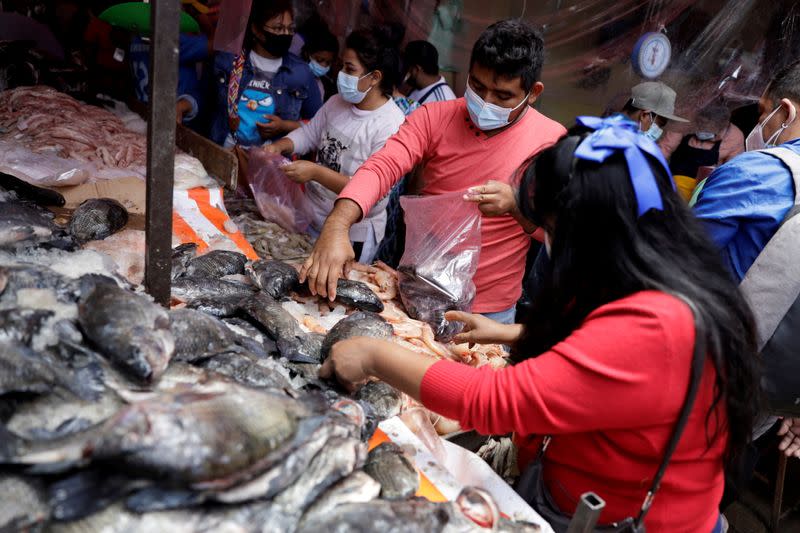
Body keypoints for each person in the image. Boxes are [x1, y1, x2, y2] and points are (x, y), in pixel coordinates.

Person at [321, 123, 760, 533]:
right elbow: (612, 366)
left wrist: (371, 353)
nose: (547, 242)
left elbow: (492, 401)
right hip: (577, 481)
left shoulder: (660, 325)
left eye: (550, 229)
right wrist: (514, 333)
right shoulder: (662, 273)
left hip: (623, 518)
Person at [301, 20, 566, 324]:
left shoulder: (551, 142)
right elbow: (382, 166)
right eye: (477, 87)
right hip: (418, 293)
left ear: (532, 93)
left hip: (489, 310)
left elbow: (562, 235)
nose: (485, 103)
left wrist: (518, 207)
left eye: (503, 96)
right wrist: (338, 223)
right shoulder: (435, 116)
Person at [693, 60, 800, 457]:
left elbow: (675, 262)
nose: (762, 127)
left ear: (785, 111)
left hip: (703, 378)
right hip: (772, 399)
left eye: (762, 115)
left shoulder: (756, 172)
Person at [265, 26, 406, 264]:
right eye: (342, 65)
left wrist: (316, 173)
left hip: (350, 236)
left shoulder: (391, 125)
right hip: (310, 217)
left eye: (350, 69)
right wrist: (282, 145)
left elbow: (374, 197)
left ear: (374, 77)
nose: (341, 74)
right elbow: (309, 134)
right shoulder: (336, 102)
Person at [209, 0, 322, 148]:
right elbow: (205, 101)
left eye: (290, 29)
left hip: (271, 163)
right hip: (225, 154)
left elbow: (318, 124)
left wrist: (284, 126)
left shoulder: (300, 72)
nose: (285, 35)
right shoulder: (228, 62)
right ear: (256, 29)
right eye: (278, 28)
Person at [660, 101, 745, 200]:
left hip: (703, 190)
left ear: (720, 127)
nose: (702, 130)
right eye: (700, 125)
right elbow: (665, 147)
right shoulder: (686, 120)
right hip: (672, 183)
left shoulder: (734, 136)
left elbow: (731, 171)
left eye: (708, 128)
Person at [615, 81, 689, 142]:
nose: (659, 132)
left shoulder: (613, 129)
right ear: (644, 115)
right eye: (659, 124)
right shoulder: (620, 142)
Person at [403, 40, 456, 104]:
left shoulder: (442, 102)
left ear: (416, 69)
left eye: (407, 67)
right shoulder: (418, 86)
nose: (404, 71)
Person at [301, 28, 339, 102]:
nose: (323, 65)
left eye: (328, 62)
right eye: (319, 60)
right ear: (307, 54)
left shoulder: (328, 86)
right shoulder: (293, 77)